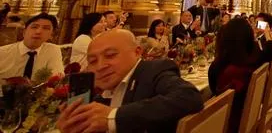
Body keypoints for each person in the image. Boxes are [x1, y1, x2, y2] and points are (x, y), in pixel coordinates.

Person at [56, 29, 203, 133]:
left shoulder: (153, 71)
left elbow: (189, 97)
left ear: (137, 52)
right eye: (93, 61)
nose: (100, 66)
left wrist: (113, 117)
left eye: (110, 55)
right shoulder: (100, 95)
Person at [208, 19, 272, 133]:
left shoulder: (219, 68)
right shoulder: (255, 59)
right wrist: (268, 36)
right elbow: (269, 51)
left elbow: (214, 91)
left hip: (228, 123)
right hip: (249, 114)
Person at [0, 13, 64, 80]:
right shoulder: (2, 52)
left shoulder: (53, 50)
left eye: (46, 28)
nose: (38, 31)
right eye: (34, 27)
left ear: (51, 35)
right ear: (24, 32)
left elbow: (56, 77)